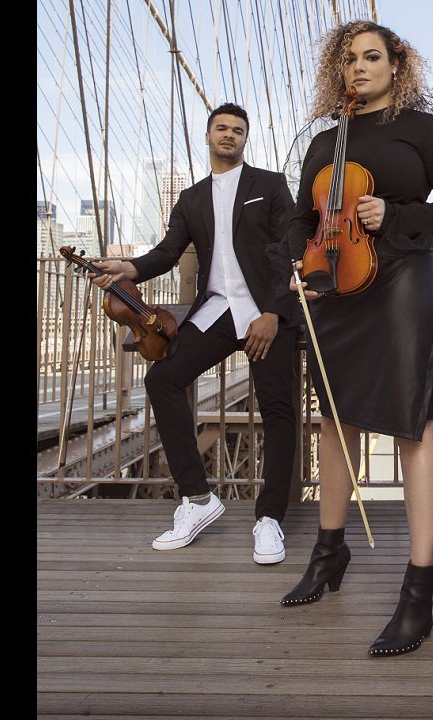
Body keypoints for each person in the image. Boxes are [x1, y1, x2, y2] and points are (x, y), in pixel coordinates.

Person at [282, 20, 433, 658]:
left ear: (397, 63)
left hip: (400, 278)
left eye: (371, 57)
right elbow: (300, 218)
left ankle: (422, 585)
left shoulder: (422, 128)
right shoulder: (324, 139)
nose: (358, 68)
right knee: (335, 421)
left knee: (411, 421)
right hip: (335, 287)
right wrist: (297, 259)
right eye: (348, 60)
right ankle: (328, 552)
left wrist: (394, 215)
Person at [91, 103, 298, 565]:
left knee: (279, 408)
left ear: (246, 139)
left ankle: (270, 519)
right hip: (218, 310)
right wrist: (127, 268)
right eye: (221, 128)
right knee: (162, 381)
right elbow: (167, 252)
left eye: (238, 130)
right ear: (207, 137)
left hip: (263, 310)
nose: (229, 135)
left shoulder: (270, 185)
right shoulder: (191, 198)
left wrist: (273, 313)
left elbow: (288, 250)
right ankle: (199, 499)